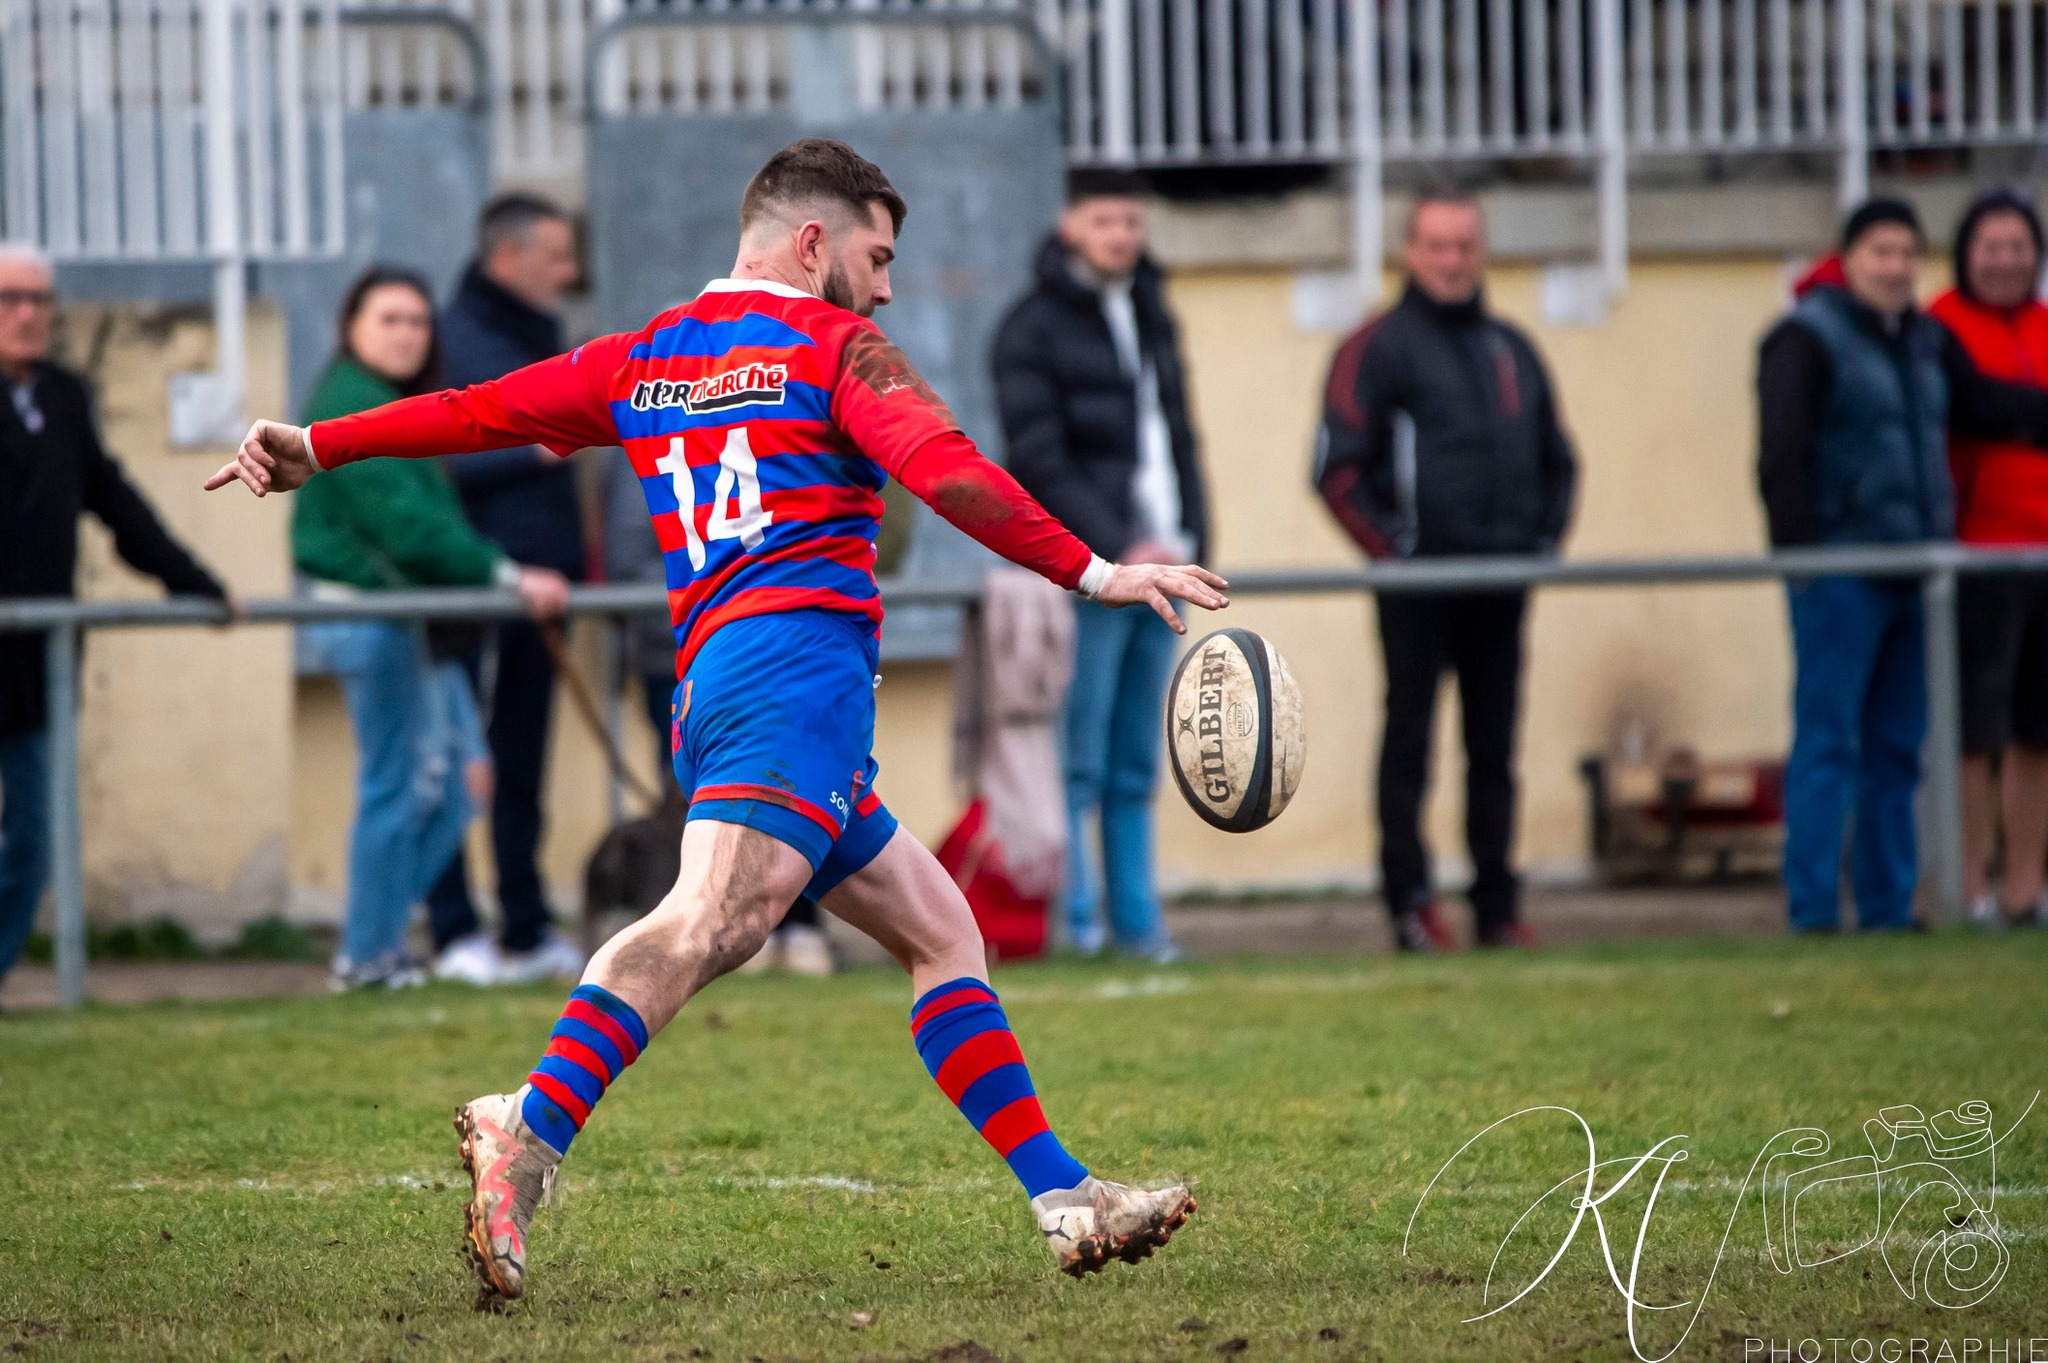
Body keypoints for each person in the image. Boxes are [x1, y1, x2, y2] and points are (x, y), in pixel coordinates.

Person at [206, 138, 1225, 1297]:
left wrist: (322, 442)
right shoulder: (836, 344)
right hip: (790, 677)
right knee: (708, 924)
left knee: (944, 936)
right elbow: (943, 472)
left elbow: (483, 411)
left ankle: (1061, 1197)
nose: (884, 284)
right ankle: (524, 1128)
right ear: (810, 242)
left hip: (732, 684)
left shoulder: (644, 355)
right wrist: (1094, 572)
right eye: (876, 255)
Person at [1757, 197, 2048, 933]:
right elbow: (1781, 455)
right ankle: (1815, 907)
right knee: (1829, 742)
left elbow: (1986, 404)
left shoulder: (1923, 339)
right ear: (1849, 258)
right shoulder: (1803, 339)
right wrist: (1801, 560)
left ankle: (1887, 906)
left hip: (1915, 571)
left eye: (1906, 254)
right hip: (1840, 572)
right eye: (1880, 252)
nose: (1894, 267)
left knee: (1896, 748)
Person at [291, 267, 572, 989]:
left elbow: (429, 525)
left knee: (455, 783)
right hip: (372, 618)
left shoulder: (391, 400)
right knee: (404, 784)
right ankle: (366, 954)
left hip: (412, 621)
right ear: (350, 326)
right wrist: (508, 575)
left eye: (418, 321)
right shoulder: (350, 400)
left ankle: (379, 943)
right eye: (388, 318)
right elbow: (411, 529)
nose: (407, 333)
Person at [1313, 190, 1577, 953]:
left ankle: (1498, 906)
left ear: (1481, 249)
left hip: (1502, 584)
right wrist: (1397, 554)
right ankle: (1411, 906)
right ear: (1410, 250)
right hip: (1417, 589)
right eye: (1437, 245)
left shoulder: (1510, 348)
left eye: (1465, 244)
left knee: (1494, 750)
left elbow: (1559, 458)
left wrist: (1542, 541)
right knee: (1411, 743)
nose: (1452, 260)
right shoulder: (1377, 347)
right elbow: (1336, 471)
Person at [991, 170, 1210, 961]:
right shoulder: (1031, 327)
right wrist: (1119, 547)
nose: (1122, 234)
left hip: (1169, 568)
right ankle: (1077, 924)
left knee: (1134, 761)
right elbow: (1039, 460)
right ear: (1070, 223)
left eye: (1131, 220)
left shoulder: (1151, 311)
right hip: (1095, 576)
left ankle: (1140, 924)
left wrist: (1192, 536)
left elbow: (1178, 439)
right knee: (1077, 760)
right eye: (1106, 218)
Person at [0, 243, 230, 993]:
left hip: (36, 666)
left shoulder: (63, 395)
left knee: (30, 840)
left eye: (39, 299)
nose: (27, 314)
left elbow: (113, 500)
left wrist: (198, 584)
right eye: (10, 299)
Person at [426, 194, 589, 984]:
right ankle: (456, 928)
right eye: (556, 254)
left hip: (542, 595)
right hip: (477, 590)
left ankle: (524, 925)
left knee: (522, 762)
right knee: (459, 760)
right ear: (507, 257)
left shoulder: (538, 336)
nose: (570, 272)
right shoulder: (451, 341)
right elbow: (441, 458)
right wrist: (541, 448)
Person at [597, 448, 834, 974]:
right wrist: (714, 629)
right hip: (689, 662)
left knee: (804, 790)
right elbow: (628, 553)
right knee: (713, 804)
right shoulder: (652, 417)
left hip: (789, 653)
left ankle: (794, 924)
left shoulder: (781, 406)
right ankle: (722, 927)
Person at [1931, 190, 2048, 929]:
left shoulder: (2042, 326)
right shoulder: (1942, 326)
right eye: (1991, 246)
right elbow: (1972, 405)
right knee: (1976, 731)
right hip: (1977, 555)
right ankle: (1970, 881)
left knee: (2038, 731)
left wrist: (2018, 412)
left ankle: (2026, 887)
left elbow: (2006, 407)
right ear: (1967, 252)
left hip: (2044, 554)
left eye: (2017, 246)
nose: (2004, 259)